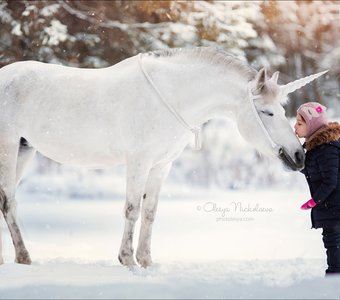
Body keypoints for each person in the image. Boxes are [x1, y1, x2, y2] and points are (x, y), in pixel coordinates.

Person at [294, 102, 340, 275]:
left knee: (333, 241)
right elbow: (313, 171)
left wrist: (314, 201)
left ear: (312, 125)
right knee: (331, 241)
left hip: (335, 208)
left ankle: (335, 276)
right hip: (332, 208)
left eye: (299, 123)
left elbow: (330, 181)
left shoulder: (327, 149)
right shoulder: (317, 148)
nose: (295, 126)